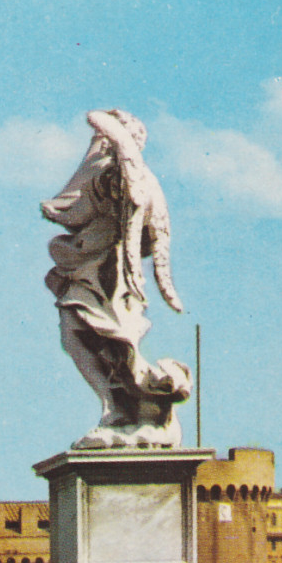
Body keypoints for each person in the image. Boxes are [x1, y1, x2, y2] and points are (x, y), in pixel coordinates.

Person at [41, 108, 189, 449]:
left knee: (109, 340)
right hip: (94, 270)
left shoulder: (125, 176)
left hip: (109, 277)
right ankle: (118, 408)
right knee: (78, 335)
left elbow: (74, 210)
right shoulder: (119, 174)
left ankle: (143, 403)